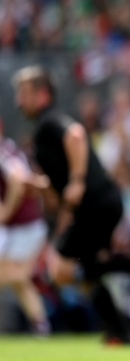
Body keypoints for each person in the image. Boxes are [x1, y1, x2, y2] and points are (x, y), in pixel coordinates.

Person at [13, 66, 130, 345]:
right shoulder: (44, 129)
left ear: (42, 94)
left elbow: (76, 134)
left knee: (59, 270)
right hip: (102, 203)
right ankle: (121, 332)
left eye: (25, 93)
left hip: (96, 205)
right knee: (87, 270)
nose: (19, 101)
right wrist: (35, 185)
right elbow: (59, 186)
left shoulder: (49, 121)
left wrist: (77, 180)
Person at [0, 118, 50, 335]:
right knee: (20, 282)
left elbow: (17, 180)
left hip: (24, 227)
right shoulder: (9, 148)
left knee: (15, 275)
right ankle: (41, 326)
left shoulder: (2, 151)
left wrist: (5, 211)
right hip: (24, 226)